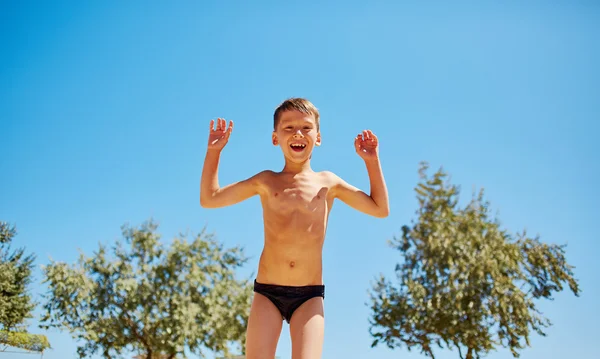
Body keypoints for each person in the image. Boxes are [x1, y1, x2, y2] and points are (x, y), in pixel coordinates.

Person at [200, 98, 389, 359]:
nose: (297, 133)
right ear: (275, 138)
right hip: (267, 292)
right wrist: (215, 151)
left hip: (309, 297)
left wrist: (371, 161)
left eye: (306, 128)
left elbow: (380, 209)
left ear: (318, 137)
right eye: (288, 128)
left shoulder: (328, 183)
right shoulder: (266, 181)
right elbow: (210, 199)